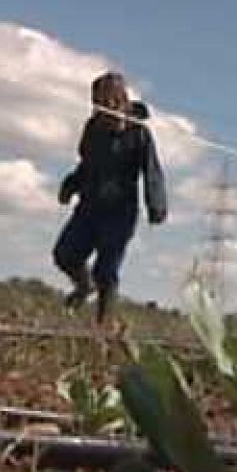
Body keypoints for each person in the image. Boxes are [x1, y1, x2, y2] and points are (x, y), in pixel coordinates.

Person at [54, 72, 167, 327]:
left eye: (113, 101)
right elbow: (86, 164)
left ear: (124, 101)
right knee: (65, 254)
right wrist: (71, 185)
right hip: (89, 207)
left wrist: (156, 203)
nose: (108, 108)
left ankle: (102, 327)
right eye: (101, 102)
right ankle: (84, 287)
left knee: (106, 270)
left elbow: (152, 171)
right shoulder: (92, 130)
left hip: (120, 212)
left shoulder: (139, 134)